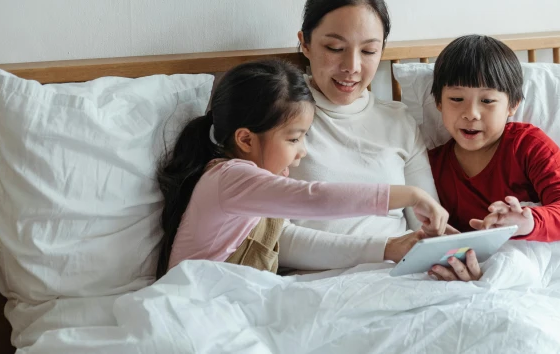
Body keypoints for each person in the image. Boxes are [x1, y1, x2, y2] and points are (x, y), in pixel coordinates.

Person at [155, 59, 448, 278]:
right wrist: (409, 195)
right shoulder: (231, 178)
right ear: (245, 139)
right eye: (294, 139)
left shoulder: (246, 185)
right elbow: (316, 197)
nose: (302, 152)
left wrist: (388, 247)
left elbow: (298, 229)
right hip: (195, 303)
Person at [279, 0, 447, 272]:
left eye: (369, 51)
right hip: (318, 286)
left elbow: (429, 226)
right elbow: (276, 242)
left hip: (403, 278)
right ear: (304, 43)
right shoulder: (278, 120)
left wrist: (454, 255)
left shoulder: (399, 121)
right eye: (334, 48)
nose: (352, 67)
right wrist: (384, 249)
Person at [427, 35, 560, 281]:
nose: (471, 114)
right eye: (456, 99)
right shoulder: (430, 166)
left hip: (532, 261)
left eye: (488, 101)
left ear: (512, 105)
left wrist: (527, 222)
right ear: (439, 102)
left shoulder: (528, 145)